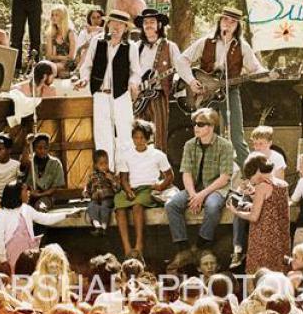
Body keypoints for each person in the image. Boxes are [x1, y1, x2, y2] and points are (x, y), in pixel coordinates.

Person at [180, 6, 269, 171]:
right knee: (206, 135)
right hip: (206, 94)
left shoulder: (243, 46)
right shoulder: (205, 42)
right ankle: (205, 174)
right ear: (220, 21)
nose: (228, 24)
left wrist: (268, 74)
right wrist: (191, 81)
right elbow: (181, 60)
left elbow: (256, 70)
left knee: (237, 137)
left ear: (237, 26)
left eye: (233, 21)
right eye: (225, 20)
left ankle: (250, 175)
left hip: (231, 92)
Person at [166, 108, 233, 271]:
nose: (195, 127)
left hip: (217, 188)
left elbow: (224, 177)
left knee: (212, 206)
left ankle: (200, 245)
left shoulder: (225, 145)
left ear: (210, 127)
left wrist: (201, 196)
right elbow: (186, 173)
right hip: (194, 188)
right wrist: (193, 194)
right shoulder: (189, 145)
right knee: (172, 205)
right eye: (195, 123)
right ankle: (183, 249)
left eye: (200, 124)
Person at [75, 9, 141, 171]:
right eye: (114, 23)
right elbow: (87, 66)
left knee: (125, 134)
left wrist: (133, 83)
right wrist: (84, 79)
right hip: (101, 94)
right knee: (103, 135)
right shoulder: (97, 42)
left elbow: (136, 72)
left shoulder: (130, 47)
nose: (117, 28)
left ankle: (124, 172)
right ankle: (106, 173)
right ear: (108, 24)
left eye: (121, 25)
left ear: (126, 28)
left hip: (121, 95)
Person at [134, 8, 192, 152]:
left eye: (152, 22)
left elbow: (180, 70)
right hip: (138, 97)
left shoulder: (170, 46)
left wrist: (179, 91)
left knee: (159, 136)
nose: (148, 25)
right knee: (138, 134)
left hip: (159, 95)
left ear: (159, 25)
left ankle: (161, 171)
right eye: (145, 22)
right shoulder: (136, 47)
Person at [230, 124, 288, 269]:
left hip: (267, 212)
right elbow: (251, 181)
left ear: (269, 143)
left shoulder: (277, 158)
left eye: (260, 143)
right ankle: (238, 247)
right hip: (260, 196)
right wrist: (250, 189)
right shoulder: (252, 156)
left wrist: (236, 210)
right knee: (240, 202)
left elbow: (275, 183)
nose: (257, 147)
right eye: (254, 144)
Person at [114, 119, 174, 257]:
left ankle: (139, 245)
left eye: (142, 138)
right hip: (131, 188)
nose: (138, 140)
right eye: (135, 137)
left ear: (148, 138)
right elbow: (123, 178)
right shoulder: (127, 155)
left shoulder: (157, 155)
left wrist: (160, 186)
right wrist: (128, 190)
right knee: (119, 208)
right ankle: (127, 247)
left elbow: (170, 176)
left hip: (147, 188)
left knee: (137, 206)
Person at [0, 180, 79, 273]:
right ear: (17, 194)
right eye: (25, 191)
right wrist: (3, 260)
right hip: (12, 255)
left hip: (28, 252)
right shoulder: (2, 214)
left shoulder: (26, 209)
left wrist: (66, 215)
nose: (29, 193)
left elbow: (45, 218)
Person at [83, 149, 120, 236]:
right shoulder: (92, 175)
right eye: (101, 164)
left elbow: (118, 188)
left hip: (107, 198)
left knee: (105, 207)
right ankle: (97, 226)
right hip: (95, 198)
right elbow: (87, 187)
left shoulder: (111, 174)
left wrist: (112, 180)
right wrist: (85, 192)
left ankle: (104, 227)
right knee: (91, 206)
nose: (104, 166)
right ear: (96, 165)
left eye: (106, 163)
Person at [25, 133, 65, 211]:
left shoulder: (55, 163)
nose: (42, 151)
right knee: (23, 210)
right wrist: (27, 144)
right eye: (39, 148)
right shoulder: (30, 162)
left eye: (45, 148)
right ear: (34, 148)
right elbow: (25, 181)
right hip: (30, 195)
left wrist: (40, 194)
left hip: (47, 196)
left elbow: (55, 187)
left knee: (40, 207)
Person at [45, 4, 77, 78]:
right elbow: (49, 56)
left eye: (56, 15)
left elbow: (71, 57)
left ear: (63, 17)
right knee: (46, 67)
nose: (53, 17)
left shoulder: (70, 33)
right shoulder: (51, 33)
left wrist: (57, 57)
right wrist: (61, 57)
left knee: (50, 68)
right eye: (52, 15)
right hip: (54, 63)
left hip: (67, 63)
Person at [0, 132, 22, 199]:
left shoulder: (16, 165)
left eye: (0, 149)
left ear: (9, 150)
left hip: (11, 198)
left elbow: (20, 183)